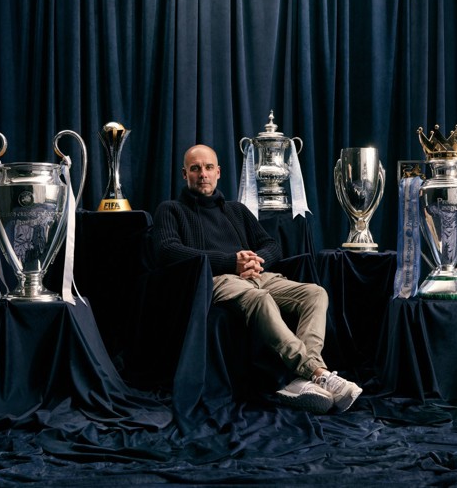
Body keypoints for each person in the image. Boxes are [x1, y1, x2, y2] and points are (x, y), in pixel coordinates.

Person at [150, 144, 362, 413]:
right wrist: (231, 262)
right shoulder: (171, 210)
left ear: (218, 172)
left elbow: (272, 245)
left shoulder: (236, 210)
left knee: (316, 293)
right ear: (184, 174)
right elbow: (167, 251)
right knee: (260, 299)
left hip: (256, 274)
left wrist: (253, 260)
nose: (202, 173)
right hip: (216, 279)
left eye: (207, 167)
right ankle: (317, 372)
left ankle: (301, 379)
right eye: (195, 168)